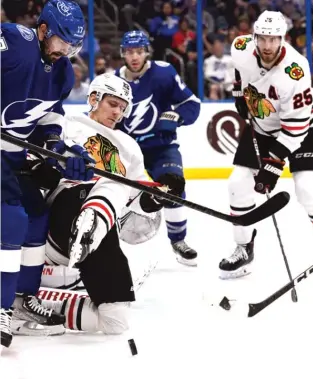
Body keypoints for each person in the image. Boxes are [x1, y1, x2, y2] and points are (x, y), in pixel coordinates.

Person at [36, 73, 167, 334]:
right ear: (94, 99)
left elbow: (135, 219)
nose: (118, 112)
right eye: (113, 104)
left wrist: (153, 200)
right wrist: (56, 166)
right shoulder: (67, 125)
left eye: (123, 107)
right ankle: (90, 221)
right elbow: (37, 166)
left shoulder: (130, 147)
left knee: (115, 322)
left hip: (101, 233)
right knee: (114, 182)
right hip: (60, 217)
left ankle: (38, 303)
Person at [0, 0, 95, 348]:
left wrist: (57, 147)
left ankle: (23, 301)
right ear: (42, 31)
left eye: (73, 45)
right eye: (61, 42)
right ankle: (1, 305)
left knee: (37, 215)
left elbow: (48, 116)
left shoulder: (62, 72)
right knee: (11, 217)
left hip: (10, 159)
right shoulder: (14, 43)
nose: (66, 51)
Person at [219, 11, 313, 279]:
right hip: (262, 124)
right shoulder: (241, 47)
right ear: (255, 37)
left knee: (307, 188)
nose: (268, 46)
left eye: (274, 40)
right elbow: (239, 68)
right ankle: (243, 247)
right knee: (238, 184)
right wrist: (239, 91)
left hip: (303, 126)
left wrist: (273, 165)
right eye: (263, 39)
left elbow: (295, 128)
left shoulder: (295, 70)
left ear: (282, 39)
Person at [114, 30, 201, 267]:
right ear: (123, 53)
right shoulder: (114, 81)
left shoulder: (163, 73)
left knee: (173, 186)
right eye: (130, 52)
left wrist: (175, 116)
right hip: (128, 152)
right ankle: (107, 249)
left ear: (147, 52)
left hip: (162, 147)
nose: (134, 56)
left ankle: (178, 241)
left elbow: (192, 104)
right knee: (112, 195)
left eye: (139, 51)